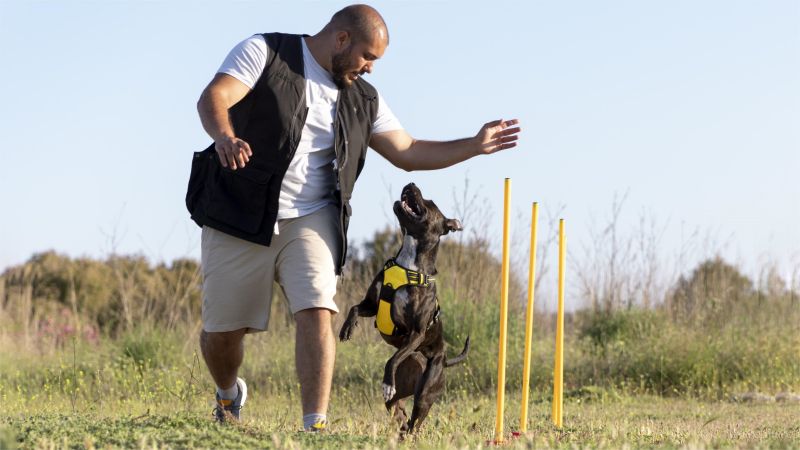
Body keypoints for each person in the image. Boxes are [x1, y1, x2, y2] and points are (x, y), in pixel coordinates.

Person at [186, 4, 521, 431]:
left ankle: (315, 427)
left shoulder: (363, 99)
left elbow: (408, 151)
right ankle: (228, 394)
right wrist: (226, 137)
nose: (370, 68)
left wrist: (473, 145)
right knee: (223, 334)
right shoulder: (267, 52)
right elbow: (214, 97)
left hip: (311, 218)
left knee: (318, 311)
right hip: (239, 209)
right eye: (368, 56)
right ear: (341, 39)